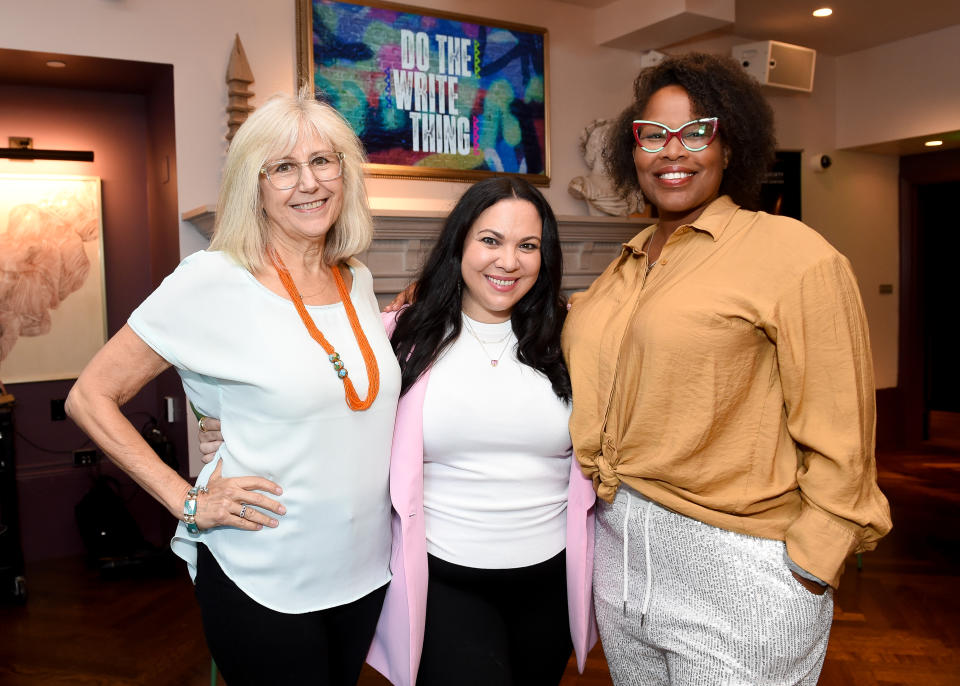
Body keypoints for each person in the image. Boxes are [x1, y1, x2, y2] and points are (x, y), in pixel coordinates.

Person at [560, 52, 893, 684]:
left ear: (731, 145)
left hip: (742, 566)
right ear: (633, 151)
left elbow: (844, 433)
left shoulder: (793, 255)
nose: (672, 152)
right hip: (621, 553)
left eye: (695, 133)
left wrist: (807, 567)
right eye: (653, 135)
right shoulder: (626, 263)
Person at [199, 176, 598, 686]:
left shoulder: (573, 336)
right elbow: (321, 400)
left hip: (552, 578)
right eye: (490, 240)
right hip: (445, 579)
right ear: (460, 244)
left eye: (528, 246)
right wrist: (234, 429)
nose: (508, 261)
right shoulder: (400, 334)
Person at [66, 89, 401, 686]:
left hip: (363, 571)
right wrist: (185, 500)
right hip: (263, 575)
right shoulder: (213, 280)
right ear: (256, 185)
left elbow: (340, 396)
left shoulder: (355, 279)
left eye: (324, 161)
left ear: (345, 174)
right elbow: (90, 396)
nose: (309, 182)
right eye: (284, 167)